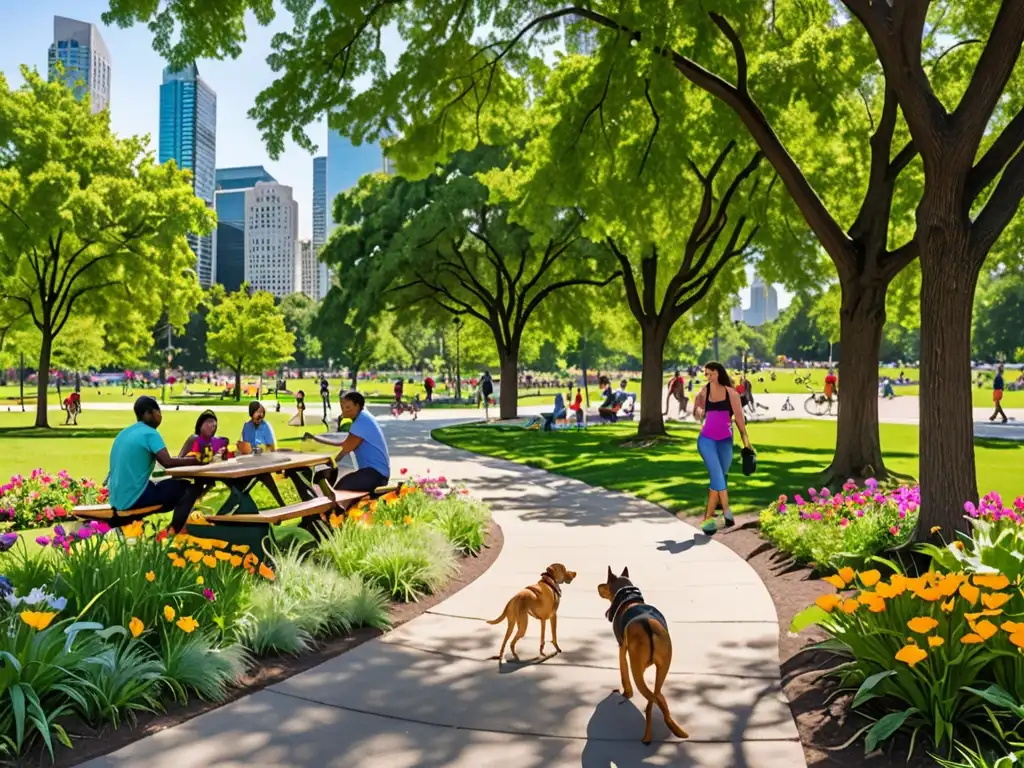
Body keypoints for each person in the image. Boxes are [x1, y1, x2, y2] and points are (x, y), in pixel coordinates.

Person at [108, 396, 203, 533]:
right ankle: (172, 534)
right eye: (158, 412)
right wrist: (196, 460)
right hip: (134, 497)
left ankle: (176, 530)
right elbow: (168, 462)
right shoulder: (150, 433)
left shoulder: (125, 433)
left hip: (117, 498)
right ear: (148, 413)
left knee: (170, 487)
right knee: (190, 489)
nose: (160, 416)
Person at [692, 361, 753, 532]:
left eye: (710, 373)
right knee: (718, 476)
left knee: (718, 478)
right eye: (706, 373)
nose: (708, 376)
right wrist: (697, 411)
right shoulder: (705, 391)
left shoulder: (731, 394)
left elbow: (740, 422)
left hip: (726, 441)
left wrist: (747, 445)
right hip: (706, 441)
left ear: (719, 373)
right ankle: (726, 512)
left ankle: (709, 518)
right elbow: (697, 410)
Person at [305, 391, 391, 491]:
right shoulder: (364, 417)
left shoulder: (361, 422)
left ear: (357, 406)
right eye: (342, 407)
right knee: (340, 486)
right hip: (374, 473)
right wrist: (317, 439)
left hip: (375, 475)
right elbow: (344, 443)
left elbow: (343, 449)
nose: (344, 411)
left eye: (348, 407)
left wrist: (325, 460)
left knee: (339, 490)